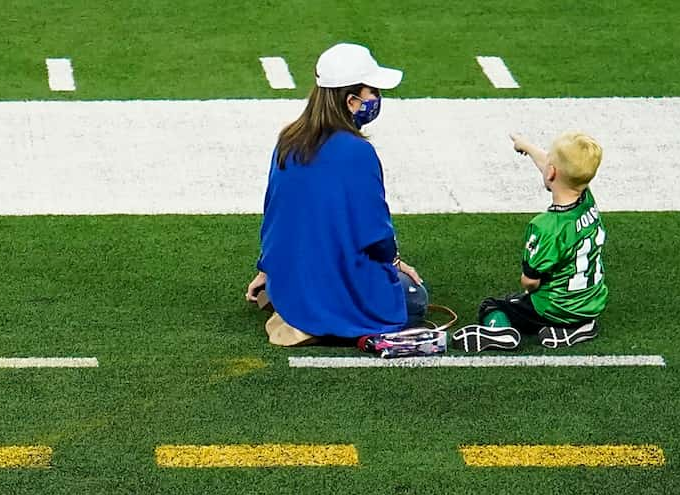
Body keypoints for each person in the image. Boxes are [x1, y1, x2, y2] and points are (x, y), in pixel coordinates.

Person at [246, 43, 445, 357]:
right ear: (352, 101)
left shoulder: (287, 140)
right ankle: (327, 318)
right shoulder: (358, 152)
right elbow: (377, 236)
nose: (377, 98)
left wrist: (267, 271)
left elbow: (274, 215)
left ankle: (294, 309)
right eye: (373, 91)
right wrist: (396, 266)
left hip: (288, 279)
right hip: (337, 287)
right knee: (415, 297)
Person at [454, 133, 609, 351]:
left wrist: (529, 286)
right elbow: (553, 167)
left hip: (555, 307)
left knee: (493, 305)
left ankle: (500, 332)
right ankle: (580, 326)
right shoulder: (587, 200)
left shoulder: (546, 226)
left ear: (552, 171)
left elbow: (530, 282)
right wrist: (527, 147)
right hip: (591, 301)